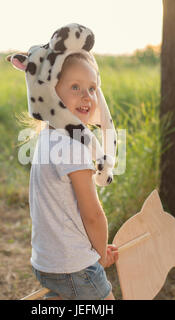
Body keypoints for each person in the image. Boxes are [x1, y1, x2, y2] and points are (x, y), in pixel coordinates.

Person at [28, 52, 119, 300]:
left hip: (46, 260)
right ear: (52, 92)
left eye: (92, 88)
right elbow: (92, 214)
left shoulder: (48, 136)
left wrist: (94, 248)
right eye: (75, 87)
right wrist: (99, 254)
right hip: (72, 263)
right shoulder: (74, 145)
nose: (86, 96)